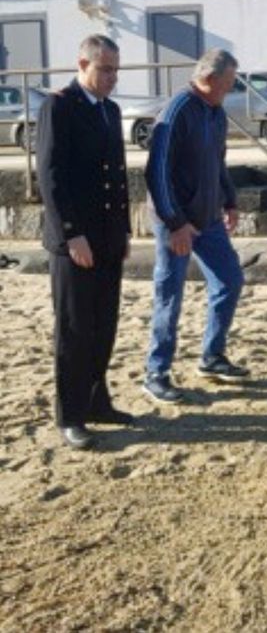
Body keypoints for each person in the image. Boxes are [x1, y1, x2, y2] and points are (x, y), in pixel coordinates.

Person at [36, 34, 133, 449]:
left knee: (103, 325)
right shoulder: (60, 106)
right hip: (75, 240)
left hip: (108, 237)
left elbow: (118, 176)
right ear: (83, 64)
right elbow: (51, 177)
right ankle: (70, 415)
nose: (112, 77)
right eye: (104, 69)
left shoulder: (110, 110)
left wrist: (125, 229)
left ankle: (97, 402)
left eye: (115, 69)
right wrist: (72, 233)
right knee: (75, 330)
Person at [142, 48, 249, 403]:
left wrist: (230, 199)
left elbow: (218, 161)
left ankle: (212, 356)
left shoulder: (216, 112)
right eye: (229, 84)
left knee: (230, 280)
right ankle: (156, 372)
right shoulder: (176, 111)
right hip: (175, 220)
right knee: (170, 295)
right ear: (209, 79)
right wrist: (175, 223)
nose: (230, 90)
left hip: (208, 217)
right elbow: (156, 172)